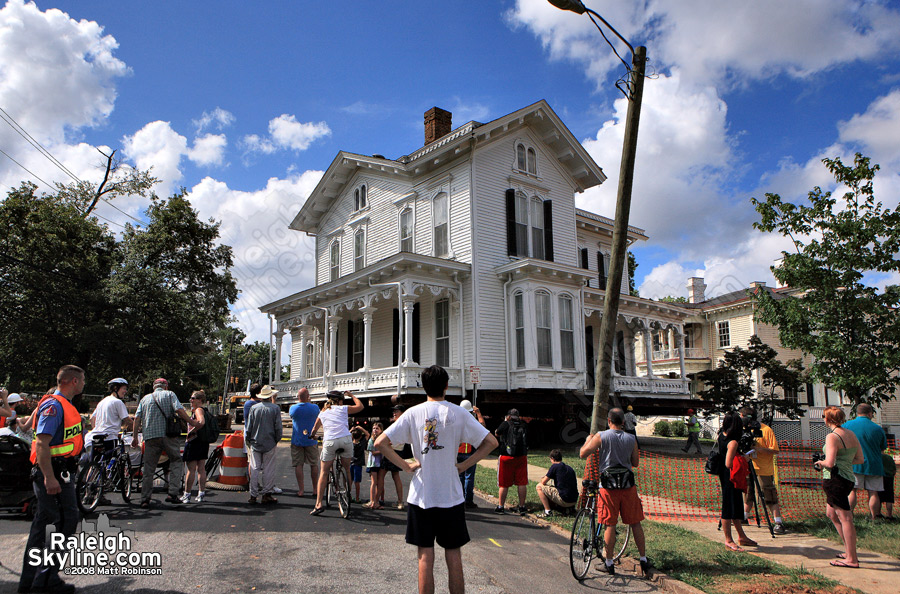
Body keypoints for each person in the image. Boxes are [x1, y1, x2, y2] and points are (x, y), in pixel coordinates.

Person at [375, 365, 498, 594]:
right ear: (446, 386)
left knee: (425, 557)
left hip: (422, 495)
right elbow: (491, 442)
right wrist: (463, 465)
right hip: (450, 496)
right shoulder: (458, 412)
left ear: (423, 387)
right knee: (453, 555)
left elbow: (380, 442)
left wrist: (405, 465)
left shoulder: (413, 413)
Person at [18, 365, 86, 594]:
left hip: (59, 471)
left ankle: (33, 581)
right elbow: (41, 444)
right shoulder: (54, 406)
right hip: (54, 474)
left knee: (46, 524)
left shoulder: (62, 405)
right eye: (83, 379)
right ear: (74, 381)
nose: (84, 383)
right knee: (60, 523)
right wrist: (49, 478)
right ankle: (44, 581)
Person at [580, 407, 650, 577]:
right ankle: (643, 559)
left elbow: (583, 454)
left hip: (608, 487)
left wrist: (588, 440)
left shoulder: (601, 436)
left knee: (610, 524)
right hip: (628, 486)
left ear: (609, 421)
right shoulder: (631, 438)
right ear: (624, 422)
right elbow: (635, 462)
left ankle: (609, 562)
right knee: (635, 523)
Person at [133, 378, 199, 508]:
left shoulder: (144, 399)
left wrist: (135, 437)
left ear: (154, 387)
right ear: (166, 386)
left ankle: (145, 499)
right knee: (176, 460)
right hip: (168, 435)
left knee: (149, 468)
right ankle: (172, 493)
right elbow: (179, 410)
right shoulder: (170, 395)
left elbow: (137, 418)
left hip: (150, 437)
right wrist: (190, 422)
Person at [814, 406, 864, 568]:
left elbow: (829, 463)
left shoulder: (832, 437)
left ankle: (852, 558)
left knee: (845, 518)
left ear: (827, 419)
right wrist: (844, 462)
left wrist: (819, 462)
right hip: (848, 478)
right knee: (831, 514)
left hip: (835, 479)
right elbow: (859, 459)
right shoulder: (850, 434)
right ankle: (849, 551)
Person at [309, 390, 364, 515]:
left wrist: (312, 436)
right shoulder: (343, 408)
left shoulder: (322, 412)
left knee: (323, 472)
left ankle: (318, 504)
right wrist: (352, 396)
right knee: (347, 468)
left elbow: (314, 429)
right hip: (345, 440)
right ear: (339, 401)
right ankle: (348, 494)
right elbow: (360, 406)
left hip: (330, 442)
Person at [739, 406, 786, 534]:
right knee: (747, 493)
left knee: (768, 495)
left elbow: (775, 450)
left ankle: (778, 522)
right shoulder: (742, 430)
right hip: (748, 467)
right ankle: (744, 517)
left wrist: (759, 449)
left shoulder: (765, 430)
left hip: (763, 469)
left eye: (742, 416)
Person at [716, 411, 756, 551]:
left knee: (736, 506)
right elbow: (728, 463)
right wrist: (743, 458)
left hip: (726, 475)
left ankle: (741, 536)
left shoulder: (721, 436)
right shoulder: (732, 442)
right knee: (728, 508)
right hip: (730, 477)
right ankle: (728, 539)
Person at [844, 403, 887, 520]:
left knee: (852, 491)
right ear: (870, 414)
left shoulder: (847, 425)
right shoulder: (878, 428)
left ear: (857, 413)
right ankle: (874, 517)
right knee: (873, 492)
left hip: (854, 464)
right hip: (874, 465)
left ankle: (848, 516)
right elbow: (882, 448)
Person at [245, 385, 283, 505]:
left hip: (255, 441)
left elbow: (249, 426)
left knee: (255, 468)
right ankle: (267, 493)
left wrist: (248, 439)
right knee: (268, 469)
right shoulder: (275, 408)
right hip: (269, 441)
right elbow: (278, 427)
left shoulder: (254, 408)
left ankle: (253, 494)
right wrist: (276, 439)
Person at [83, 378, 131, 463]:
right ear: (116, 388)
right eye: (124, 388)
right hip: (110, 437)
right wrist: (137, 429)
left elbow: (92, 418)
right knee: (110, 465)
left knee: (96, 464)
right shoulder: (117, 402)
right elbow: (127, 420)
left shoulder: (102, 402)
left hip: (95, 437)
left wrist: (98, 429)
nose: (125, 391)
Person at [494, 408, 528, 515]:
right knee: (522, 482)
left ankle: (501, 506)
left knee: (503, 483)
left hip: (506, 457)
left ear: (508, 416)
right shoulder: (523, 424)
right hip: (521, 456)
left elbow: (497, 433)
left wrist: (504, 421)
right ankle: (522, 506)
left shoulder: (506, 424)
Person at [289, 388, 320, 497]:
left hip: (297, 440)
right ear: (308, 396)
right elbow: (317, 415)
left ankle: (301, 490)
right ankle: (315, 489)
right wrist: (309, 402)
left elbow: (291, 416)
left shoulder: (293, 408)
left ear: (298, 397)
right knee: (314, 464)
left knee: (298, 465)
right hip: (311, 440)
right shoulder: (315, 408)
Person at [181, 390, 211, 503]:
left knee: (191, 469)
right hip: (203, 441)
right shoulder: (205, 410)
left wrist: (192, 432)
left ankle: (187, 494)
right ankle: (201, 493)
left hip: (194, 442)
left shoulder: (198, 410)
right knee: (201, 468)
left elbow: (201, 422)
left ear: (199, 400)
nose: (191, 400)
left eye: (193, 398)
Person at [457, 399, 485, 508]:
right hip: (470, 453)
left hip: (458, 452)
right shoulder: (472, 422)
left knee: (459, 477)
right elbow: (483, 426)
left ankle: (459, 500)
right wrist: (478, 413)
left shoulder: (456, 420)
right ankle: (468, 501)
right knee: (469, 477)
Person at [380, 404, 407, 509]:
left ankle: (377, 500)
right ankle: (400, 501)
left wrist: (387, 444)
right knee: (395, 476)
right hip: (398, 450)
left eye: (396, 411)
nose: (394, 413)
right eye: (394, 411)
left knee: (381, 474)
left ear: (402, 413)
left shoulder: (399, 424)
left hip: (393, 451)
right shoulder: (401, 423)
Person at [536, 449, 578, 517]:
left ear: (552, 458)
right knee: (554, 488)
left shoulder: (555, 466)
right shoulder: (569, 468)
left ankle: (547, 511)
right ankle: (568, 509)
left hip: (564, 500)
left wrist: (542, 478)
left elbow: (543, 481)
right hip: (573, 500)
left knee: (539, 487)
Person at [364, 422, 385, 509]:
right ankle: (372, 500)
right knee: (374, 482)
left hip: (380, 463)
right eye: (374, 428)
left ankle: (377, 500)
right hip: (373, 463)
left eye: (377, 428)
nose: (375, 430)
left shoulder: (382, 439)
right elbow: (373, 452)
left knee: (380, 482)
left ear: (381, 430)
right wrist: (383, 451)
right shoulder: (371, 440)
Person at [350, 426, 370, 503]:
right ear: (361, 436)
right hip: (358, 464)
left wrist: (351, 430)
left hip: (350, 463)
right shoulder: (362, 443)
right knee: (357, 482)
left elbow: (346, 436)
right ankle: (357, 498)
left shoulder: (350, 443)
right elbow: (367, 434)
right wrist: (361, 428)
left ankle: (348, 496)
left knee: (349, 481)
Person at [878, 452, 895, 520]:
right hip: (889, 478)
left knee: (878, 497)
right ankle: (889, 515)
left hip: (879, 477)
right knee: (889, 498)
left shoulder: (877, 457)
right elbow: (894, 470)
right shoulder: (889, 457)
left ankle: (877, 513)